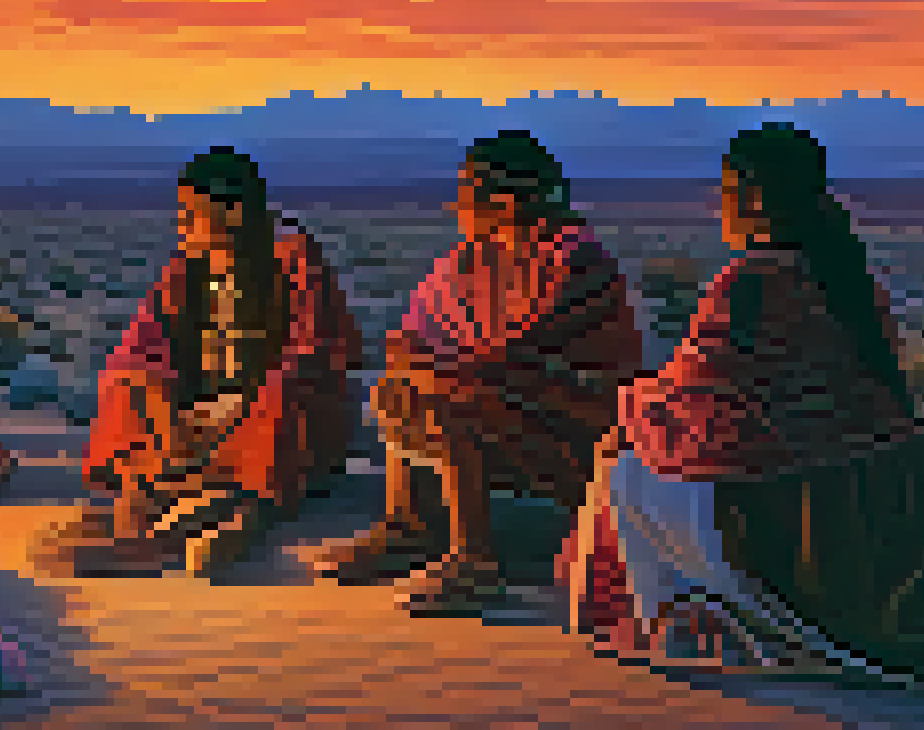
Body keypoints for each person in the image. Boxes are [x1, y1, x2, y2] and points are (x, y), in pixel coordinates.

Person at [559, 122, 924, 688]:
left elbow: (697, 388)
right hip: (888, 470)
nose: (719, 206)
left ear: (751, 197)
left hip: (804, 487)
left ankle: (671, 622)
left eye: (726, 191)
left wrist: (631, 410)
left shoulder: (752, 280)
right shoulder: (842, 270)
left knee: (626, 468)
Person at [318, 131, 641, 613]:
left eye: (467, 191)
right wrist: (419, 370)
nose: (456, 205)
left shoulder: (575, 259)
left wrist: (439, 375)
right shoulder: (470, 259)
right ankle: (410, 529)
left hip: (572, 427)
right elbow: (411, 337)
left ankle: (475, 563)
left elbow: (520, 354)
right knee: (398, 391)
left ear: (505, 201)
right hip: (500, 403)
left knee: (453, 403)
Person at [33, 147, 362, 578]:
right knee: (126, 382)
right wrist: (168, 415)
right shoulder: (187, 268)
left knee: (285, 398)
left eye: (192, 214)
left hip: (272, 420)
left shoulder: (293, 257)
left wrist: (244, 407)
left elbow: (316, 348)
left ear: (234, 210)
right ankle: (147, 507)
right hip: (198, 417)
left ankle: (195, 524)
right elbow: (144, 346)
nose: (182, 225)